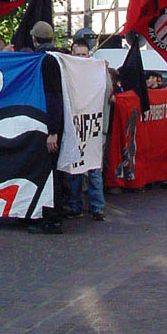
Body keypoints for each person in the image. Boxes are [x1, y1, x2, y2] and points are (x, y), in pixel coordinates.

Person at [28, 21, 64, 234]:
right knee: (55, 173)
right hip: (61, 123)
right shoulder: (62, 57)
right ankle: (53, 214)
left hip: (51, 126)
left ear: (34, 40)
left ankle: (51, 218)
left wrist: (52, 131)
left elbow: (53, 97)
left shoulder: (46, 62)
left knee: (49, 173)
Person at [65, 41, 107, 221]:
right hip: (75, 125)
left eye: (84, 55)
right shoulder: (68, 73)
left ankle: (97, 206)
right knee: (74, 169)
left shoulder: (98, 73)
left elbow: (107, 93)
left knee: (93, 168)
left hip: (92, 126)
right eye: (78, 55)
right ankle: (76, 206)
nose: (81, 58)